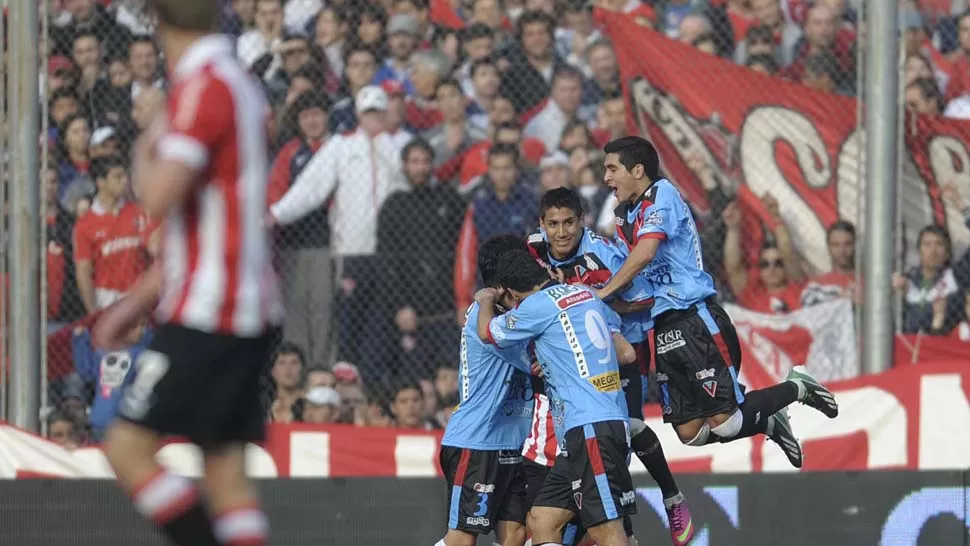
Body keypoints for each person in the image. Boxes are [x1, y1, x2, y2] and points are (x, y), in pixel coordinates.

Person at [93, 3, 284, 546]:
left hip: (210, 309)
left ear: (157, 22)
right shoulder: (239, 83)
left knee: (127, 450)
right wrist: (135, 302)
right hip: (241, 303)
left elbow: (156, 196)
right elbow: (204, 223)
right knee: (225, 471)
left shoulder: (202, 86)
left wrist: (146, 138)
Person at [595, 136, 838, 469]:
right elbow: (631, 270)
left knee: (726, 423)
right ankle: (769, 421)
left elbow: (646, 252)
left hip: (694, 318)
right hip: (662, 325)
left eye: (612, 169)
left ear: (637, 170)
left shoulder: (662, 194)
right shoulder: (624, 216)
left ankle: (797, 387)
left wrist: (604, 292)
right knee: (690, 433)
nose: (606, 177)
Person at [527, 187, 693, 546]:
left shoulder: (602, 253)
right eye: (553, 224)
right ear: (541, 225)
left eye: (569, 222)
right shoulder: (532, 253)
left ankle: (670, 498)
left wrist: (591, 302)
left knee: (621, 438)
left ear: (582, 221)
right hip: (570, 364)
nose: (561, 232)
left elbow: (645, 297)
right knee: (583, 453)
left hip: (619, 352)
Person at [476, 250, 636, 546]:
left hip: (590, 427)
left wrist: (486, 300)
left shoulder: (537, 306)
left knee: (606, 530)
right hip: (596, 423)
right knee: (542, 519)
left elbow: (487, 332)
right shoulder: (584, 293)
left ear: (511, 292)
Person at [436, 235, 535, 546]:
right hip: (478, 441)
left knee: (516, 534)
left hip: (513, 441)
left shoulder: (510, 314)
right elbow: (536, 362)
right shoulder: (489, 321)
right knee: (463, 538)